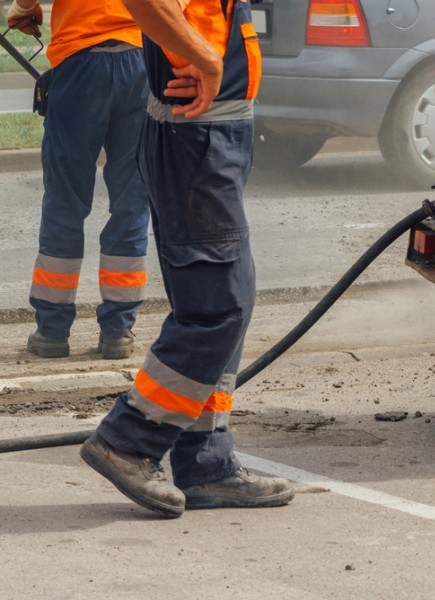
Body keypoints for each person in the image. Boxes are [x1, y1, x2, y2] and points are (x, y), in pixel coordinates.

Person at [75, 0, 294, 517]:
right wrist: (207, 58)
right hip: (196, 141)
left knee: (223, 304)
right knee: (219, 308)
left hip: (212, 136)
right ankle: (127, 441)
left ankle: (206, 465)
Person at [7, 0, 151, 360]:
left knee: (65, 203)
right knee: (132, 202)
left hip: (80, 61)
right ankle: (118, 331)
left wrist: (22, 8)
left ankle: (53, 332)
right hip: (141, 59)